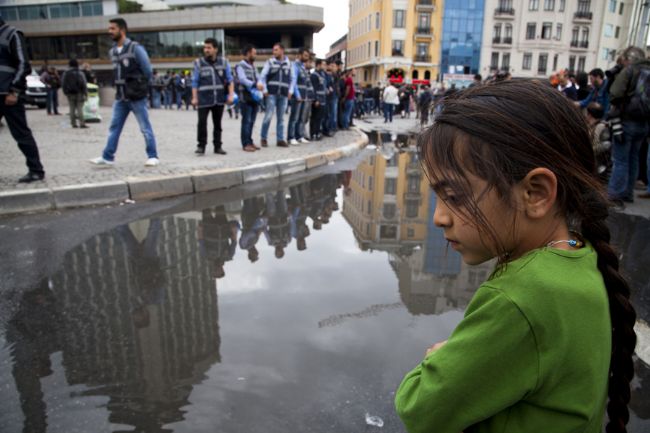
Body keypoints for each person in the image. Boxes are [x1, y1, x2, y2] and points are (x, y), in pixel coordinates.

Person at [395, 80, 636, 433]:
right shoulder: (580, 255)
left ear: (535, 193)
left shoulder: (520, 298)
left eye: (455, 196)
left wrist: (437, 359)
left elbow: (419, 408)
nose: (439, 217)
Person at [89, 17, 159, 167]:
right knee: (114, 127)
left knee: (145, 127)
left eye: (113, 29)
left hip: (136, 96)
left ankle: (153, 156)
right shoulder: (112, 51)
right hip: (120, 97)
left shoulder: (136, 48)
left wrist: (140, 88)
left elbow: (147, 71)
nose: (110, 32)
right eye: (109, 29)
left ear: (122, 30)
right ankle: (107, 157)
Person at [0, 15, 46, 183]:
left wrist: (14, 90)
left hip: (9, 95)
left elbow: (23, 65)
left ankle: (36, 170)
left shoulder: (12, 34)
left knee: (21, 134)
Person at [607, 46, 650, 202]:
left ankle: (614, 193)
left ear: (628, 59)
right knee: (634, 158)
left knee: (620, 159)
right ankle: (628, 193)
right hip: (644, 123)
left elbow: (615, 92)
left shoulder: (630, 70)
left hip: (626, 121)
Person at [191, 37, 234, 156]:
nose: (206, 50)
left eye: (209, 48)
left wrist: (230, 95)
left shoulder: (224, 62)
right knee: (201, 123)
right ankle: (201, 146)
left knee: (217, 124)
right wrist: (194, 97)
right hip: (203, 99)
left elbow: (230, 80)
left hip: (219, 99)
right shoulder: (198, 63)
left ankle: (218, 146)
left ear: (216, 49)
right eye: (205, 47)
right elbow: (195, 82)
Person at [258, 42, 295, 148]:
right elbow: (263, 76)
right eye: (273, 50)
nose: (274, 52)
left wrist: (291, 91)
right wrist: (264, 89)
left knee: (281, 118)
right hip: (271, 93)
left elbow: (292, 79)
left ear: (282, 50)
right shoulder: (270, 62)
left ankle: (280, 139)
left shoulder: (289, 64)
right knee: (268, 116)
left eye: (276, 50)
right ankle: (263, 138)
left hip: (283, 94)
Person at [236, 44, 261, 152]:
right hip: (245, 97)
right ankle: (245, 143)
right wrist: (255, 84)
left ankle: (250, 141)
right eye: (254, 53)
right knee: (246, 121)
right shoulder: (240, 66)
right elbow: (242, 79)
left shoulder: (254, 67)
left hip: (254, 97)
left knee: (252, 121)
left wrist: (261, 85)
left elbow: (259, 78)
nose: (255, 55)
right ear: (248, 53)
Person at [287, 48, 312, 146]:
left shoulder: (303, 67)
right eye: (305, 56)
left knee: (301, 118)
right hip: (297, 96)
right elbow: (294, 82)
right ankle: (291, 137)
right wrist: (297, 95)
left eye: (307, 56)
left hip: (304, 96)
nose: (307, 58)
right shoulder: (294, 66)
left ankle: (299, 136)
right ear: (300, 55)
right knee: (294, 117)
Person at [61, 58, 88, 129]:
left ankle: (73, 123)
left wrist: (65, 91)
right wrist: (85, 92)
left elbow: (63, 83)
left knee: (71, 108)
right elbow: (84, 83)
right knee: (80, 108)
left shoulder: (66, 73)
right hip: (79, 92)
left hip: (70, 93)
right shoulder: (80, 72)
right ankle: (82, 123)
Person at [310, 58, 327, 140]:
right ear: (318, 65)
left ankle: (317, 133)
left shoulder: (321, 75)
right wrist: (315, 100)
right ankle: (313, 134)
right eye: (323, 64)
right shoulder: (314, 75)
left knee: (319, 118)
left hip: (322, 100)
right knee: (315, 118)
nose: (324, 66)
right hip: (317, 101)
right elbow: (313, 89)